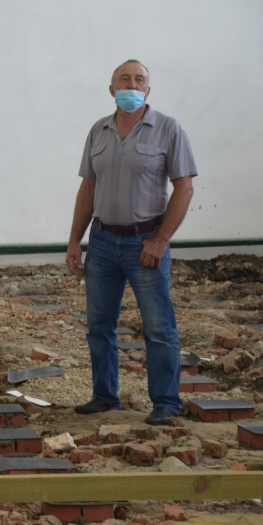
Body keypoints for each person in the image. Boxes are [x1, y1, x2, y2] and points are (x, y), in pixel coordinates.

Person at [65, 59, 197, 426]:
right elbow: (88, 188)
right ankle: (105, 395)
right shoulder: (99, 130)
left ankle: (166, 402)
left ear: (148, 90)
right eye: (125, 79)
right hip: (102, 242)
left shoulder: (168, 129)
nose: (132, 85)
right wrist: (75, 241)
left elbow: (184, 188)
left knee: (158, 327)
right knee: (99, 324)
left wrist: (161, 240)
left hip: (146, 244)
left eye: (140, 80)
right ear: (112, 89)